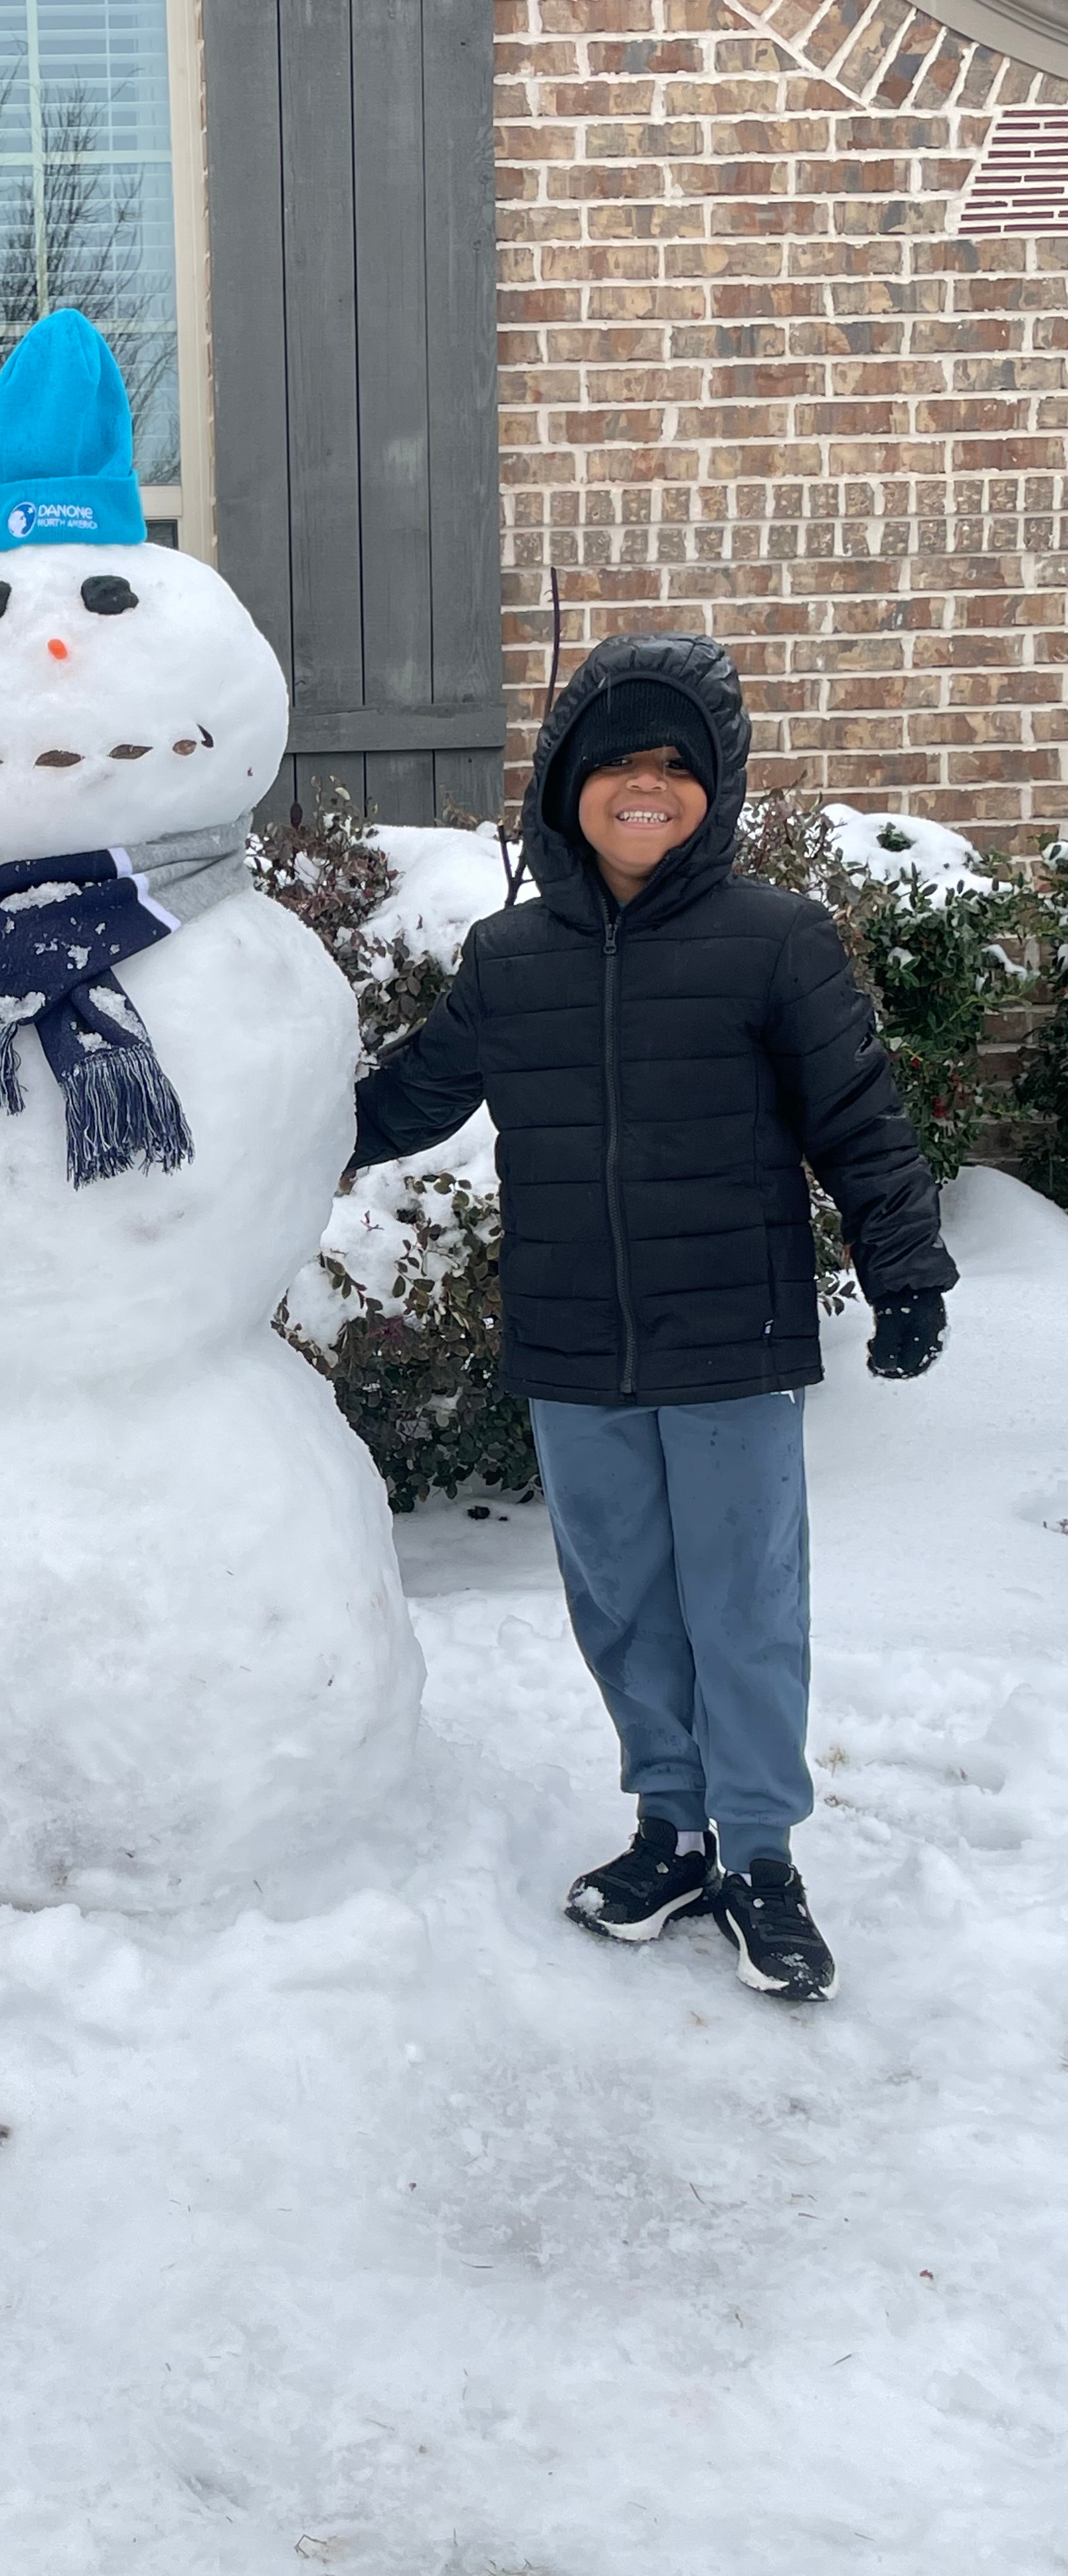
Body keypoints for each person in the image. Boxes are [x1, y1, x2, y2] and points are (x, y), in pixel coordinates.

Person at [353, 633, 956, 2002]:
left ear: (715, 792)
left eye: (676, 766)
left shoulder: (774, 942)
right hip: (576, 1342)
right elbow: (411, 1098)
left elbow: (858, 1120)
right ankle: (670, 1829)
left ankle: (760, 1857)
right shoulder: (512, 958)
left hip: (730, 1337)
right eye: (616, 761)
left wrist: (907, 1269)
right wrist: (270, 1139)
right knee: (623, 1600)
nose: (645, 786)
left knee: (742, 1602)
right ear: (566, 785)